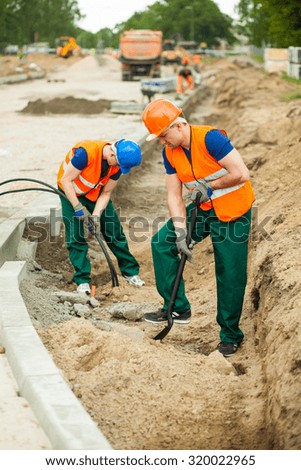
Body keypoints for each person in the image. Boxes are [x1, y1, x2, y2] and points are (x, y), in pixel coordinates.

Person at [141, 99, 255, 357]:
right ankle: (178, 308)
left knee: (230, 271)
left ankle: (230, 335)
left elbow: (241, 172)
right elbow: (174, 196)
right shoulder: (169, 152)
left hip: (233, 210)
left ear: (179, 125)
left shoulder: (211, 139)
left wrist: (211, 187)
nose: (162, 141)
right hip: (203, 210)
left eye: (163, 135)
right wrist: (181, 232)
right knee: (163, 243)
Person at [57, 138, 145, 294]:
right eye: (117, 164)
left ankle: (130, 271)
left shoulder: (117, 166)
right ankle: (82, 280)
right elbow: (66, 180)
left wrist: (96, 215)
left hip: (94, 193)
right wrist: (78, 207)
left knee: (114, 231)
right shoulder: (86, 154)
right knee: (75, 236)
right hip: (70, 192)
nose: (118, 168)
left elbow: (106, 192)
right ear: (112, 153)